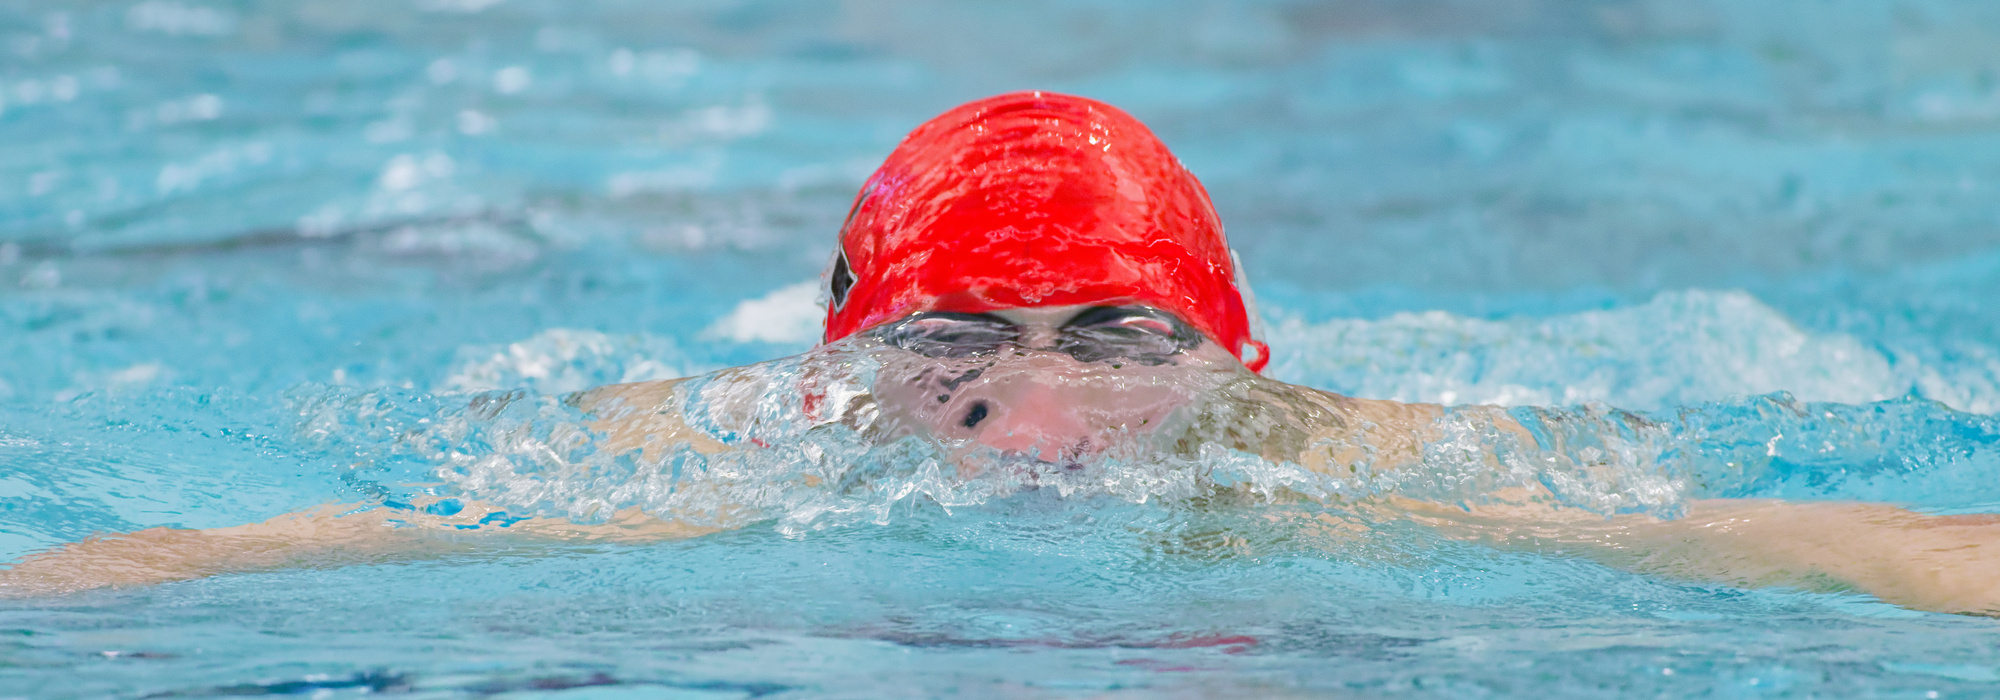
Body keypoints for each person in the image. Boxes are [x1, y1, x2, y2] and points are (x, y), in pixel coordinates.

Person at [6, 92, 1999, 615]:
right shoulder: (707, 457)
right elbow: (320, 546)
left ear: (1229, 352)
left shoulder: (1334, 455)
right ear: (857, 341)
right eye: (958, 344)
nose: (1036, 421)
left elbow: (1758, 534)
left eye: (1116, 341)